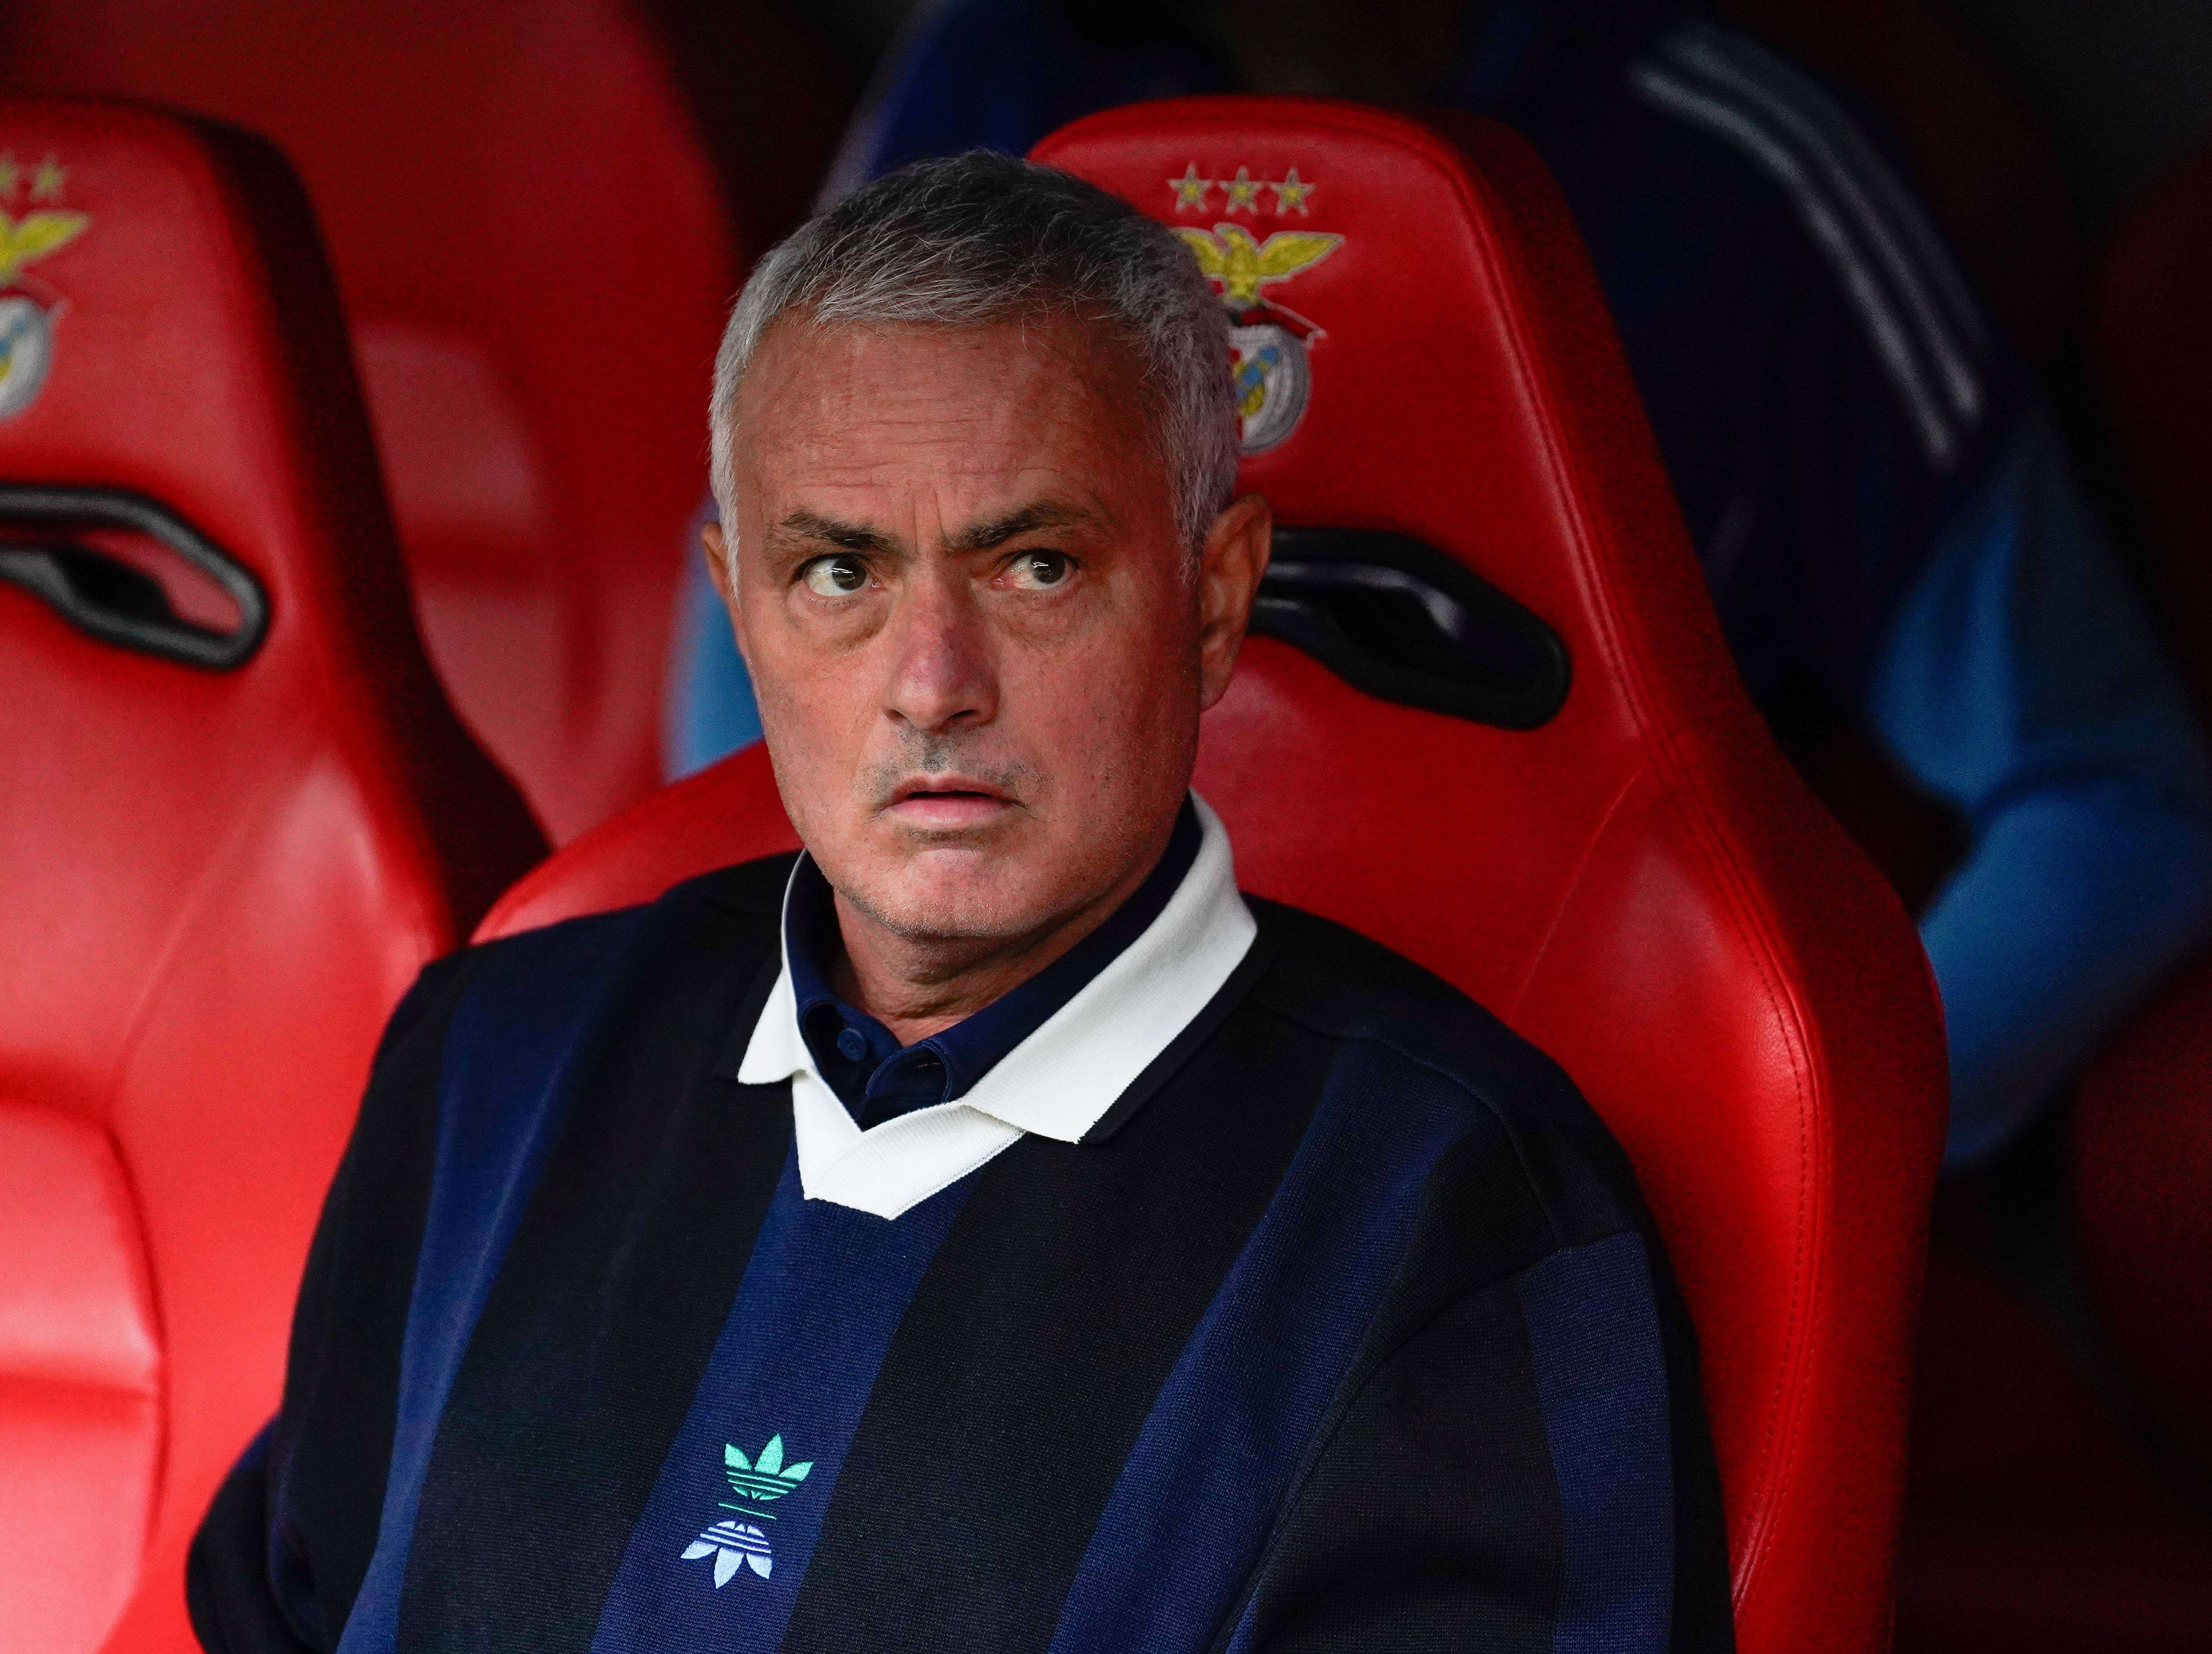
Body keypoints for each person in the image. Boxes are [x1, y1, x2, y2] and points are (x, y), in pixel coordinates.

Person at [192, 154, 1732, 1653]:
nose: (933, 684)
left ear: (1213, 601)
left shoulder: (1456, 1213)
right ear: (739, 605)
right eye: (839, 574)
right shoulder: (491, 1063)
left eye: (1036, 567)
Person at [667, 0, 2212, 1174]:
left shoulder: (1727, 172)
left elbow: (2117, 805)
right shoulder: (990, 90)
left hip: (1510, 1181)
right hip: (1023, 1128)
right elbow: (766, 669)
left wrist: (1714, 1182)